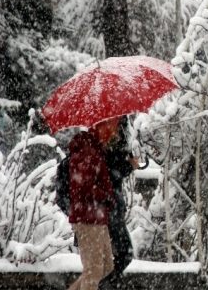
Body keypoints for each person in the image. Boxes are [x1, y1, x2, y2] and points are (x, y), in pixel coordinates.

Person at [68, 117, 118, 290]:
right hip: (88, 217)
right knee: (94, 270)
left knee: (105, 266)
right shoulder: (87, 152)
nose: (114, 132)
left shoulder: (95, 150)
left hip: (96, 216)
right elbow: (84, 187)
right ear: (100, 126)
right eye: (112, 126)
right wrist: (106, 196)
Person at [99, 117, 141, 290]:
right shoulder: (104, 135)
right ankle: (105, 285)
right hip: (108, 207)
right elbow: (110, 173)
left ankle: (106, 283)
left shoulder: (112, 131)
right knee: (123, 253)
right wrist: (129, 165)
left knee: (112, 256)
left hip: (107, 207)